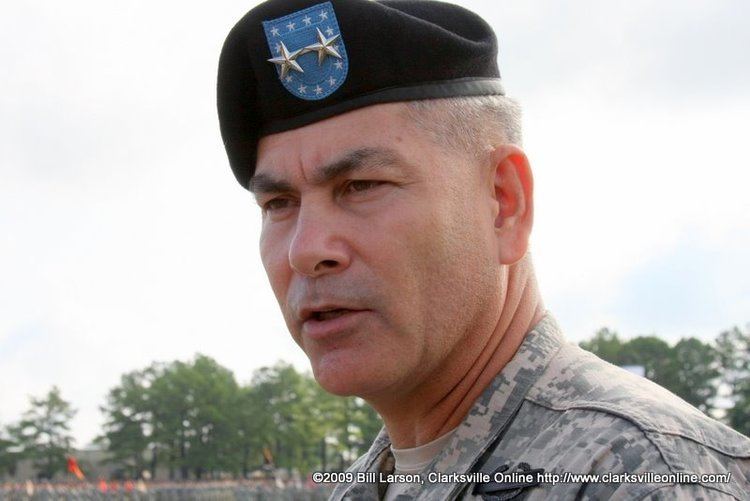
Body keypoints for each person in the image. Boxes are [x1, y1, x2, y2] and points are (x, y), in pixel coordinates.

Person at [217, 0, 750, 499]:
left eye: (362, 186)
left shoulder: (643, 476)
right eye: (279, 203)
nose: (306, 251)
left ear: (503, 202)